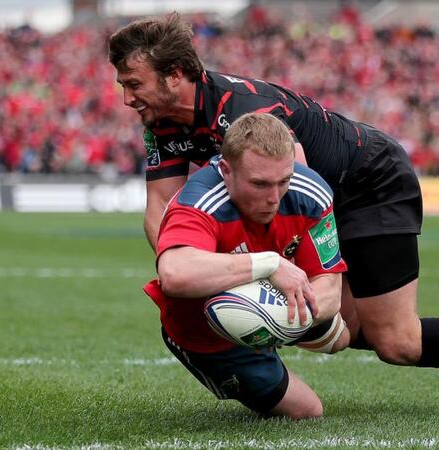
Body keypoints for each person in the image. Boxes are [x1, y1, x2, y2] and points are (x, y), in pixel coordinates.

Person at [109, 12, 439, 414]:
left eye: (134, 84)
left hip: (370, 180)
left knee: (394, 340)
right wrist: (194, 267)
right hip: (325, 195)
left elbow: (299, 192)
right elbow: (162, 212)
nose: (128, 98)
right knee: (344, 328)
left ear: (174, 75)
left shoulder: (247, 110)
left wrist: (264, 276)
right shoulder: (164, 124)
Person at [143, 113, 350, 418]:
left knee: (341, 337)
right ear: (226, 171)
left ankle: (273, 334)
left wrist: (281, 321)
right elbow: (174, 273)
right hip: (202, 329)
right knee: (307, 412)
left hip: (264, 295)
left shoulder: (311, 193)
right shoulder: (199, 201)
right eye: (260, 184)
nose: (274, 197)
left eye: (284, 181)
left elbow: (330, 289)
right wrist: (268, 263)